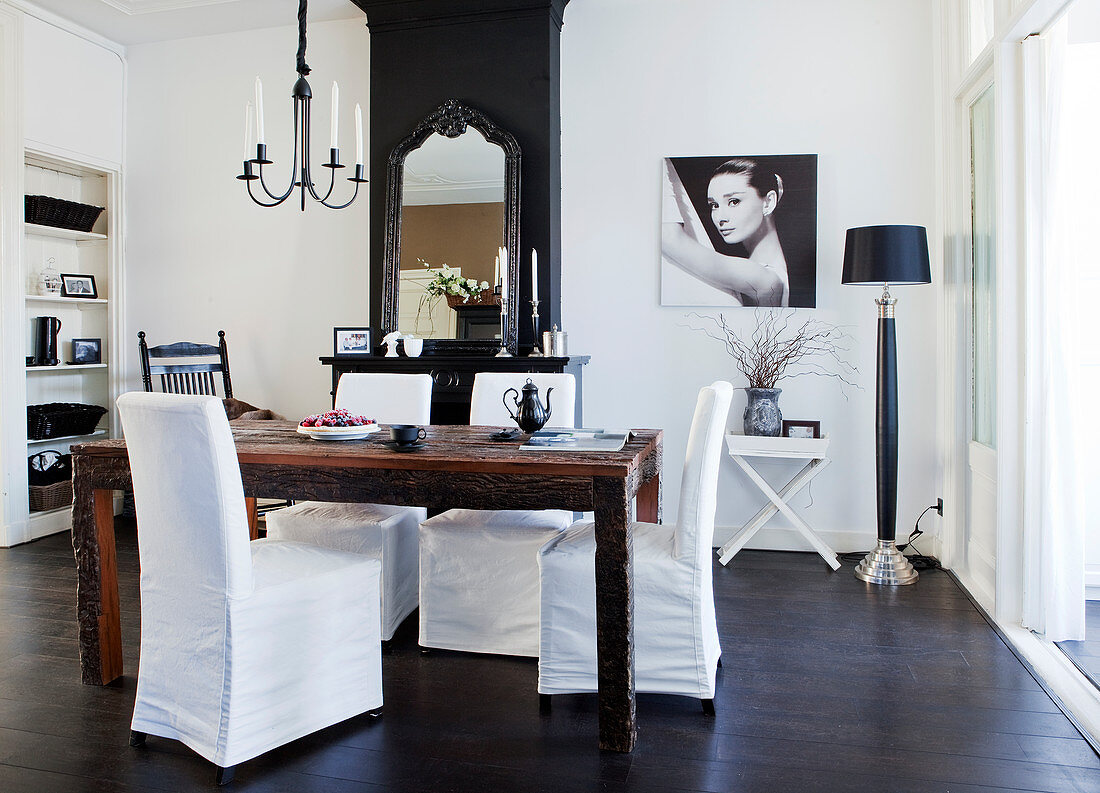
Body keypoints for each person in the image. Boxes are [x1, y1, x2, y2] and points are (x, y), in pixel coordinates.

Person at [661, 158, 788, 307]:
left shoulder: (766, 279)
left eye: (734, 201)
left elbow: (669, 237)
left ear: (768, 202)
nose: (720, 218)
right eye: (714, 205)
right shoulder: (767, 273)